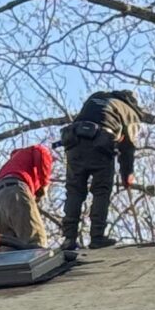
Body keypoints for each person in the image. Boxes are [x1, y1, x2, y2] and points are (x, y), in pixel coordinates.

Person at [60, 90, 142, 251]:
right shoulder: (130, 112)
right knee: (101, 190)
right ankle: (97, 237)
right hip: (101, 143)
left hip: (74, 142)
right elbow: (128, 147)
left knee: (74, 190)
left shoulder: (96, 97)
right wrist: (127, 174)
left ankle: (69, 238)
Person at [0, 144, 54, 250]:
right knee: (35, 241)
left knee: (8, 247)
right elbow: (41, 152)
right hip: (14, 190)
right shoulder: (35, 149)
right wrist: (44, 185)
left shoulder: (11, 164)